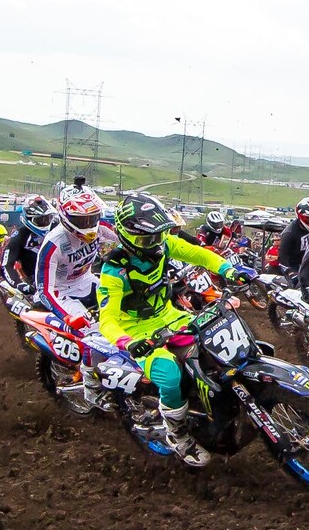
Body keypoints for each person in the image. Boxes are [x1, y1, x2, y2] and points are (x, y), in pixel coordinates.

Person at [92, 189, 245, 465]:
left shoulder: (164, 243)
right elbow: (108, 320)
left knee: (215, 340)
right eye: (147, 238)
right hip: (138, 332)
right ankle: (178, 436)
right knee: (170, 375)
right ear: (126, 235)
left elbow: (199, 255)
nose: (155, 243)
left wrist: (228, 270)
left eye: (158, 235)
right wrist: (127, 341)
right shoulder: (114, 270)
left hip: (171, 316)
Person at [34, 185, 138, 398]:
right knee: (93, 333)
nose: (89, 225)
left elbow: (129, 242)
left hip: (87, 280)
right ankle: (91, 388)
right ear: (65, 217)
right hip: (61, 292)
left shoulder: (100, 227)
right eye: (82, 221)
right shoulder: (54, 243)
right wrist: (67, 317)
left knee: (131, 307)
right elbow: (43, 289)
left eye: (93, 218)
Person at [2, 195, 57, 298]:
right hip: (36, 281)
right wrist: (18, 284)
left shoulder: (57, 227)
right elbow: (6, 264)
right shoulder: (19, 235)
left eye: (47, 219)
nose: (45, 223)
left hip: (64, 275)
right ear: (28, 219)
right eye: (40, 220)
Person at [273, 198, 309, 276]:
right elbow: (283, 257)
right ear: (301, 216)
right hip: (294, 268)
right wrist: (290, 273)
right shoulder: (289, 233)